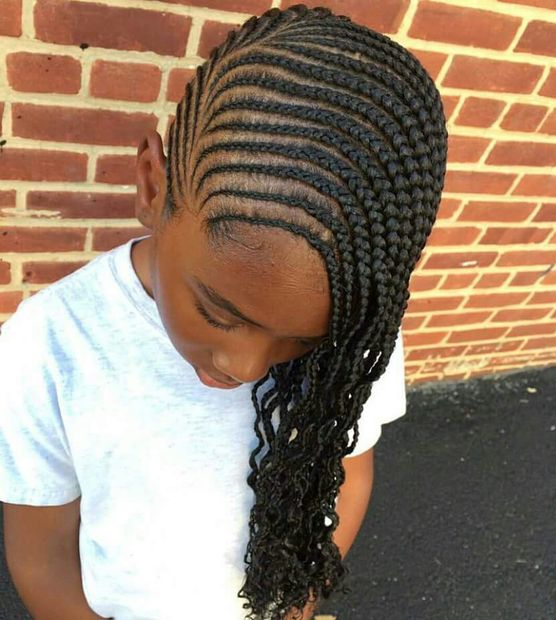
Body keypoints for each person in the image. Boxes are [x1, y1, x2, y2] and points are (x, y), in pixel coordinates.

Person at [0, 4, 447, 620]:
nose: (246, 367)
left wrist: (296, 606)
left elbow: (351, 476)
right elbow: (40, 553)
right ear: (153, 188)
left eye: (299, 341)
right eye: (217, 312)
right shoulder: (48, 343)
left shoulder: (357, 332)